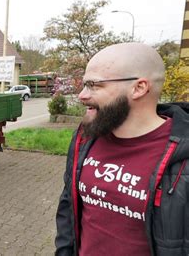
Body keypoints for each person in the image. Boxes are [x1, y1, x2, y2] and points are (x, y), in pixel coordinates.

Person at [55, 42, 189, 255]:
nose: (82, 95)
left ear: (139, 88)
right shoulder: (85, 137)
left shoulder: (182, 156)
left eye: (94, 85)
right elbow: (68, 207)